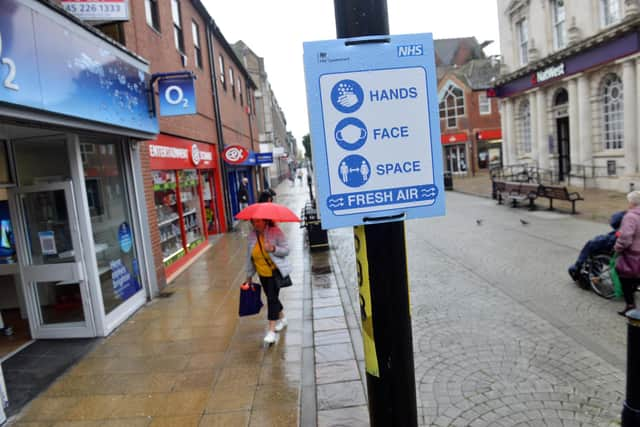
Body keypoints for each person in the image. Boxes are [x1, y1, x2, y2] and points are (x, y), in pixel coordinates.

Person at [244, 218, 291, 344]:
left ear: (265, 221)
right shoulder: (251, 236)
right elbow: (249, 258)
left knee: (271, 299)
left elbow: (286, 250)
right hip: (262, 274)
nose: (256, 224)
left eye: (259, 221)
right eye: (254, 222)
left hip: (274, 273)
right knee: (272, 297)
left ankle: (271, 331)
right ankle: (283, 318)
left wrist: (273, 248)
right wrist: (248, 277)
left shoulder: (276, 232)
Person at [568, 210, 625, 281]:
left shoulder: (621, 231)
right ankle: (593, 271)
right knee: (594, 245)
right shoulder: (627, 228)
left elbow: (610, 240)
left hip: (611, 251)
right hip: (620, 250)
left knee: (591, 246)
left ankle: (578, 267)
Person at [615, 191, 640, 316]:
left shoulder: (630, 216)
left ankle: (630, 306)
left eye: (628, 201)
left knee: (625, 279)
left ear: (632, 203)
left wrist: (617, 248)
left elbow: (625, 237)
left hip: (633, 254)